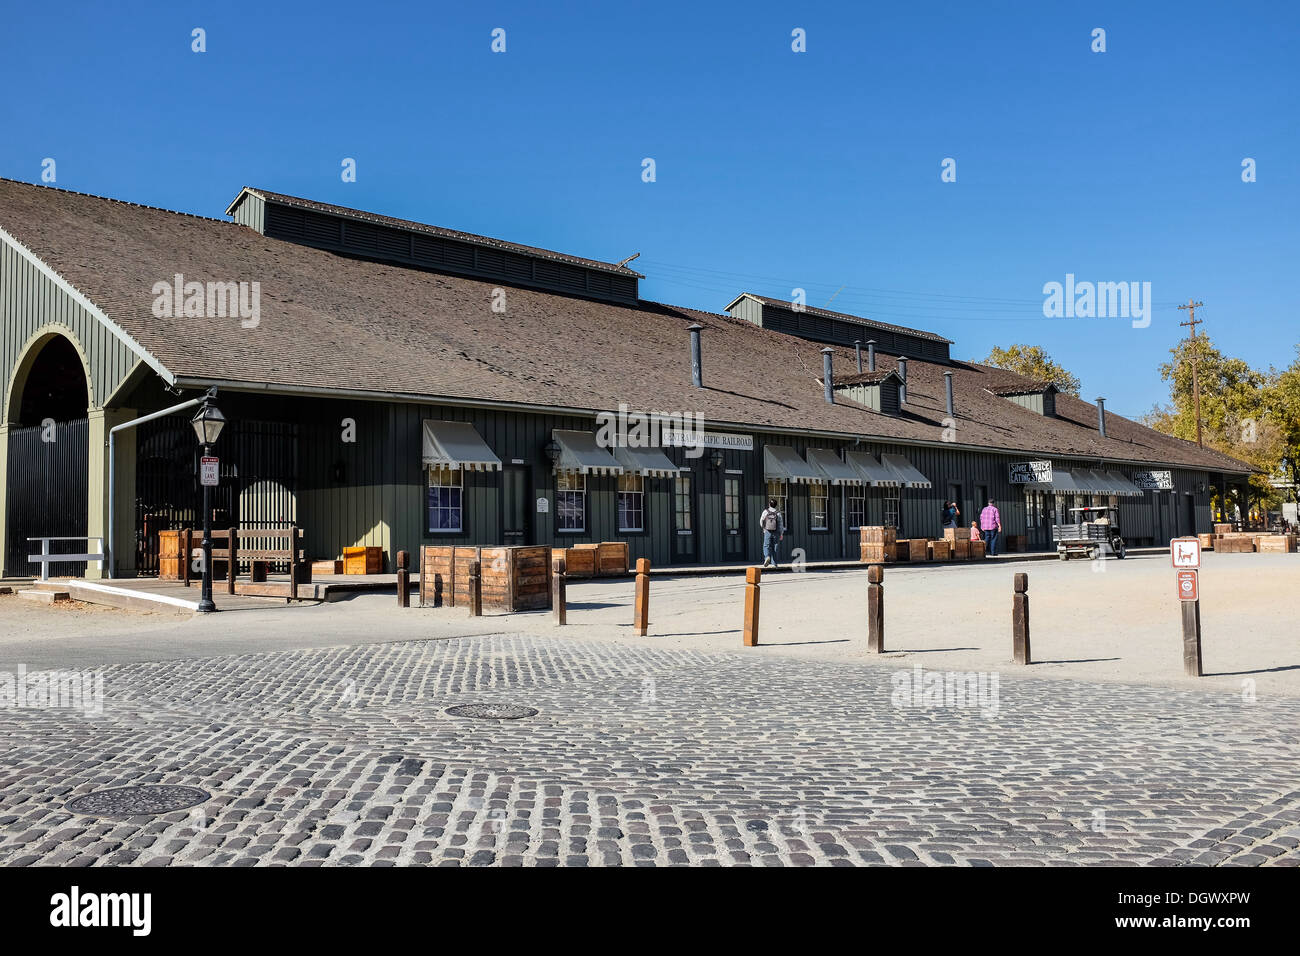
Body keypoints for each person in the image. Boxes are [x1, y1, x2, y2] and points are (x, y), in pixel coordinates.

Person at [759, 498, 785, 568]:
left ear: (769, 504)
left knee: (766, 545)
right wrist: (781, 533)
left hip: (767, 531)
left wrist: (764, 529)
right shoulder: (778, 513)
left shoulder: (765, 511)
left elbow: (761, 521)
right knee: (775, 547)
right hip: (776, 532)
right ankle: (775, 563)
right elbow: (780, 524)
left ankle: (767, 557)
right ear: (776, 505)